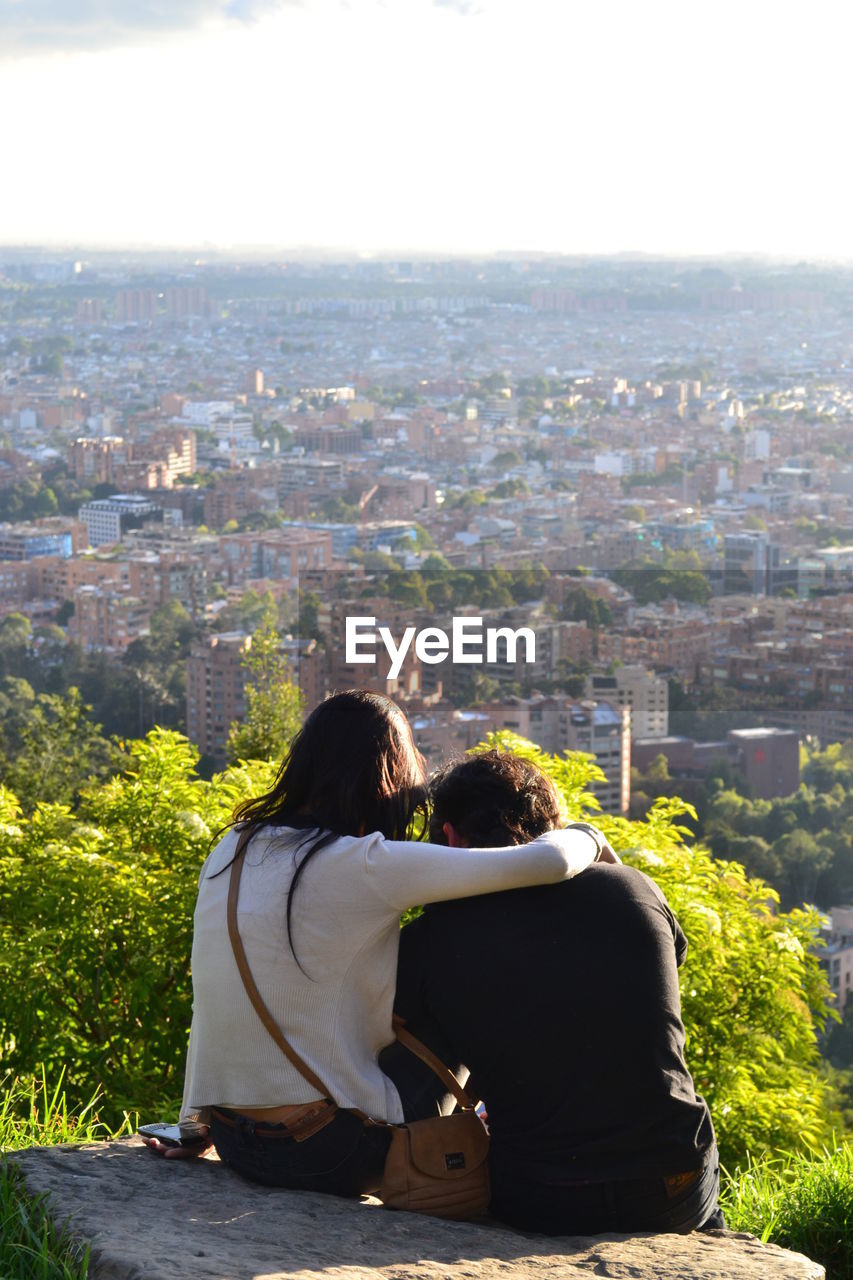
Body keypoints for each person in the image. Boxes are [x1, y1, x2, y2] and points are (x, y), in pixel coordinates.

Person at [142, 691, 613, 1200]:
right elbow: (545, 864)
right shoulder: (364, 863)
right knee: (450, 956)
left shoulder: (232, 847)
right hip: (331, 1153)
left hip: (237, 1140)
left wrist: (195, 1123)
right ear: (390, 775)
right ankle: (519, 1146)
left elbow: (211, 996)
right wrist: (589, 834)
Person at [391, 749, 724, 1235]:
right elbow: (669, 962)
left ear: (450, 838)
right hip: (674, 1182)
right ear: (556, 828)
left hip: (542, 1197)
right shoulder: (633, 889)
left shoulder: (429, 940)